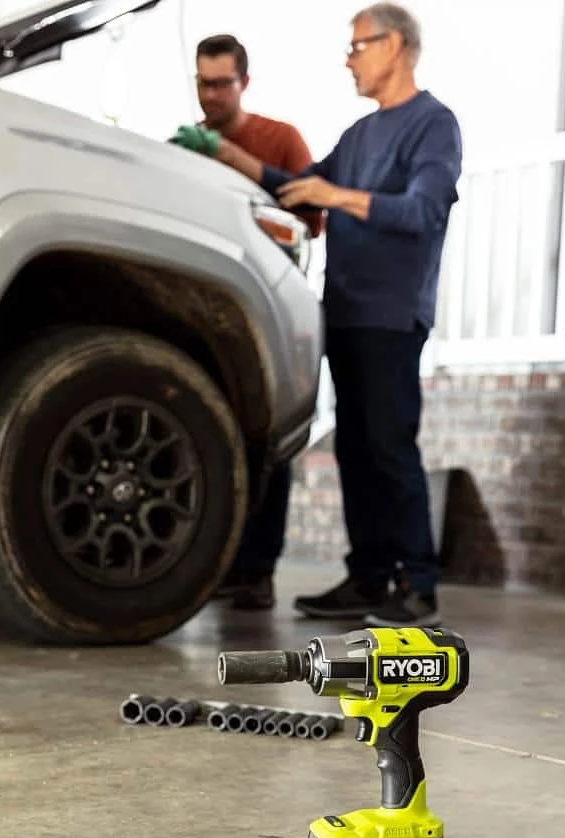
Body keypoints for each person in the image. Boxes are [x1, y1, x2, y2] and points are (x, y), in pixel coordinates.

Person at [170, 4, 461, 627]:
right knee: (354, 449)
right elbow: (295, 187)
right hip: (346, 314)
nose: (348, 60)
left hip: (391, 316)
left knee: (388, 447)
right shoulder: (359, 135)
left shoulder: (434, 125)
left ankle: (419, 586)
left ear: (395, 45)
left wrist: (336, 197)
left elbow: (422, 211)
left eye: (358, 46)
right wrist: (224, 153)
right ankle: (369, 577)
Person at [184, 34, 322, 611]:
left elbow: (313, 214)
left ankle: (257, 572)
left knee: (269, 439)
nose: (212, 94)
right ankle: (220, 567)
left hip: (270, 306)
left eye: (222, 84)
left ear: (244, 83)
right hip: (206, 310)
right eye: (203, 83)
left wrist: (237, 162)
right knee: (217, 440)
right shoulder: (187, 143)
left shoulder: (280, 138)